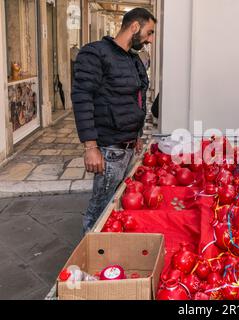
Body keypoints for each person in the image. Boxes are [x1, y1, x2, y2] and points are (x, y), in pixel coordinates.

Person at [72, 8, 156, 233]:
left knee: (114, 205)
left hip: (127, 146)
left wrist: (137, 135)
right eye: (149, 33)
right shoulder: (95, 53)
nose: (150, 39)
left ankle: (104, 252)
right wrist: (90, 147)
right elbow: (82, 99)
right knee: (100, 209)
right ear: (135, 27)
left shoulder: (134, 59)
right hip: (108, 148)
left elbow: (138, 98)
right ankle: (87, 258)